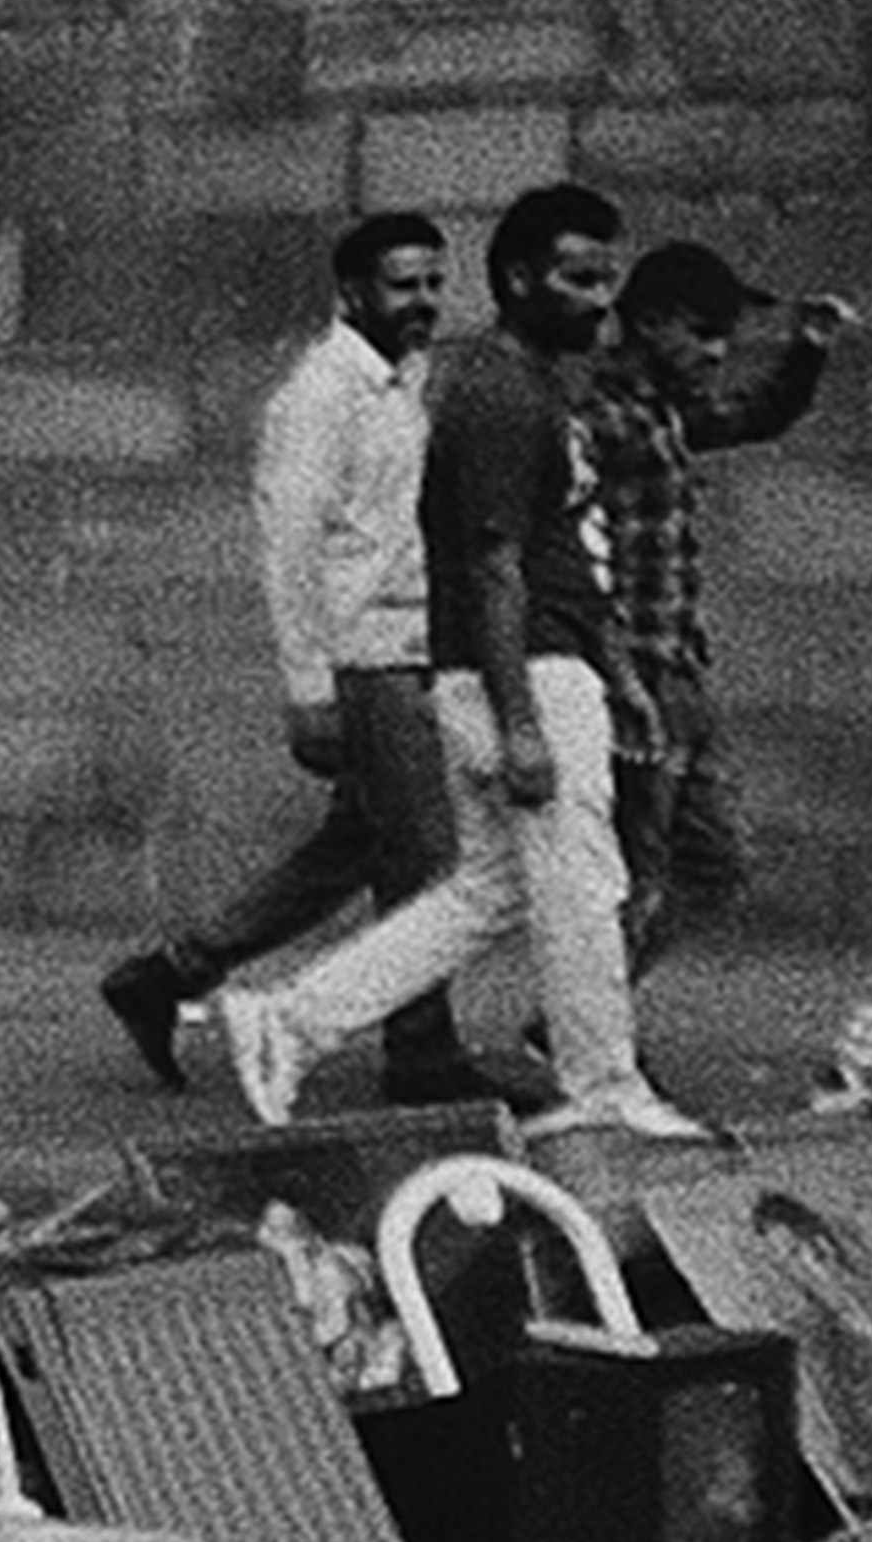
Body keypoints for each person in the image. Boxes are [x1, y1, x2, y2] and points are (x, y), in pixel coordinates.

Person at [218, 181, 706, 1141]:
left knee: (489, 891)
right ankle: (604, 1085)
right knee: (579, 884)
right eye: (576, 278)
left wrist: (619, 679)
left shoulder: (526, 389)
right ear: (519, 280)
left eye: (607, 279)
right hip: (516, 671)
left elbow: (566, 553)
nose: (599, 301)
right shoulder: (495, 398)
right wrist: (522, 717)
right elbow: (491, 566)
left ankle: (287, 1019)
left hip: (534, 666)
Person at [101, 211, 498, 1111]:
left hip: (416, 646)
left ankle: (168, 974)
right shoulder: (318, 394)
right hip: (366, 659)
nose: (424, 302)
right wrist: (309, 689)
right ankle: (421, 1053)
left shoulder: (407, 381)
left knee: (355, 847)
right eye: (404, 285)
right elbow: (289, 549)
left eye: (435, 283)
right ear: (352, 292)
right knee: (429, 863)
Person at [583, 237, 845, 965]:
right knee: (634, 873)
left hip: (679, 672)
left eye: (724, 334)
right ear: (648, 324)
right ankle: (587, 1037)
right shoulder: (600, 416)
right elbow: (568, 559)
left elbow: (753, 415)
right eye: (701, 332)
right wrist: (616, 676)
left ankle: (572, 1023)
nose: (718, 351)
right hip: (628, 676)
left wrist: (809, 348)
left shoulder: (666, 411)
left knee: (713, 865)